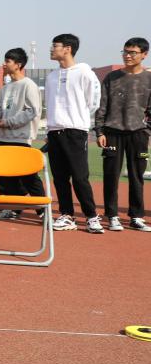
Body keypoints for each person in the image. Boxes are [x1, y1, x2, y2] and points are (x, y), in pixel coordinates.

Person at [44, 33, 102, 233]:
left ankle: (91, 216)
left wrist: (77, 119)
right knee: (60, 177)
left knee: (79, 176)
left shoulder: (84, 72)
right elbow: (49, 103)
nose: (51, 49)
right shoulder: (51, 76)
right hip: (54, 131)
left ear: (67, 49)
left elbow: (93, 101)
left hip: (75, 131)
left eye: (55, 46)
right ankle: (67, 215)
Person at [94, 37, 151, 232]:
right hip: (112, 133)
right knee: (111, 176)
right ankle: (112, 216)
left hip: (138, 135)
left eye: (132, 52)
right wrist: (99, 131)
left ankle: (136, 216)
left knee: (137, 176)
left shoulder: (149, 79)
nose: (127, 56)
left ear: (144, 55)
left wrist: (146, 131)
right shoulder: (112, 78)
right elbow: (102, 107)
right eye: (125, 52)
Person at [0, 47, 45, 219]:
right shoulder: (5, 88)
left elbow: (32, 111)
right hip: (2, 137)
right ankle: (13, 208)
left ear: (18, 64)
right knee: (5, 178)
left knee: (29, 176)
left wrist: (8, 122)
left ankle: (43, 211)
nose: (4, 64)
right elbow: (1, 110)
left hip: (20, 138)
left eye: (8, 61)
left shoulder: (29, 85)